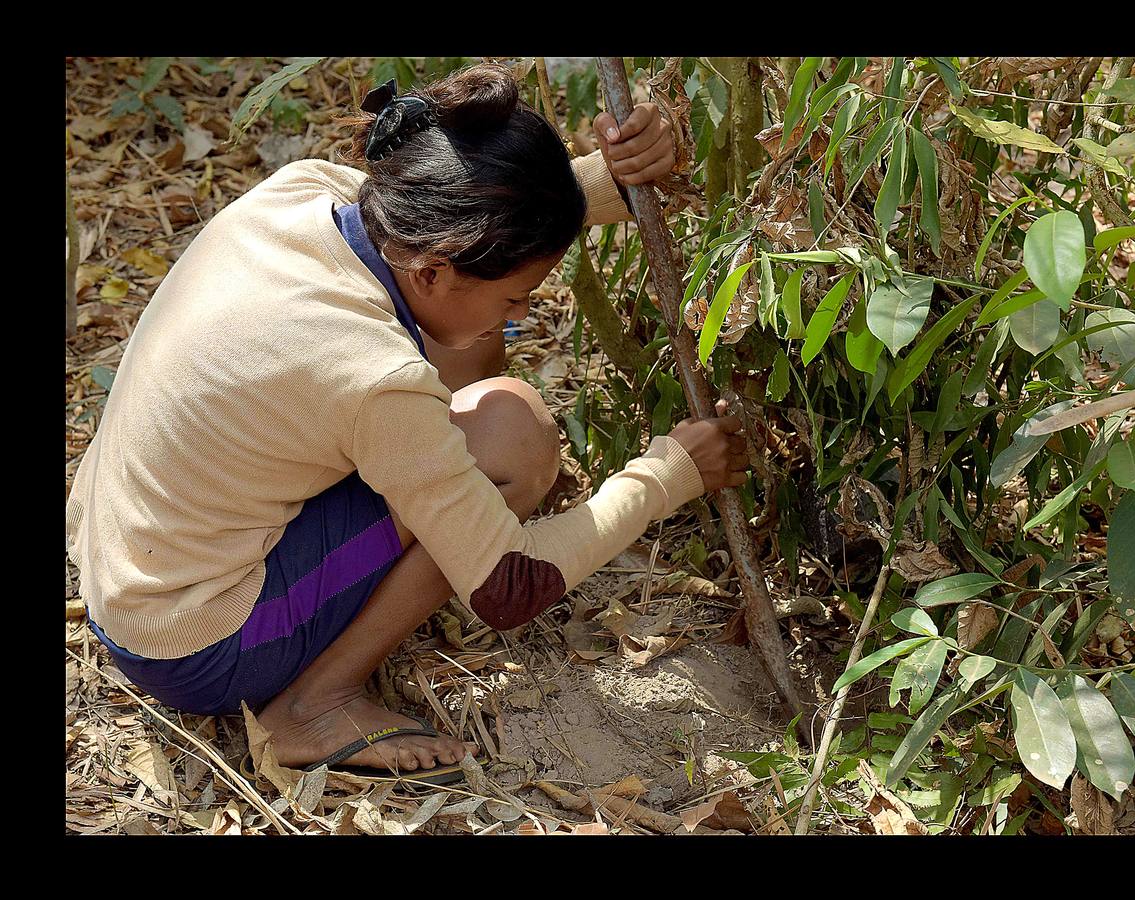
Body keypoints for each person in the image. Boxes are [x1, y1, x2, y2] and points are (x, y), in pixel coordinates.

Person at [65, 62, 748, 782]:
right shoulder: (374, 379)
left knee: (478, 376)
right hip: (196, 642)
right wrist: (668, 475)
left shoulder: (307, 196)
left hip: (124, 563)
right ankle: (313, 706)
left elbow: (463, 232)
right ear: (432, 270)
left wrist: (607, 179)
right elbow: (510, 587)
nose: (523, 316)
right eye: (516, 297)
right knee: (512, 434)